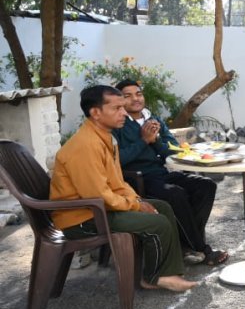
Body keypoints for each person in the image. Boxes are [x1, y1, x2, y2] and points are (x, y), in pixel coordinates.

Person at [49, 85, 197, 292]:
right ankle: (154, 277)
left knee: (162, 207)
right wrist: (134, 205)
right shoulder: (85, 145)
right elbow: (97, 195)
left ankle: (167, 270)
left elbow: (117, 182)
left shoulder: (106, 137)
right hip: (82, 218)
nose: (124, 113)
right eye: (117, 108)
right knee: (158, 223)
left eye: (123, 108)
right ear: (96, 113)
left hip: (97, 208)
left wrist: (136, 200)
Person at [113, 79, 228, 267]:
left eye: (138, 93)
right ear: (119, 101)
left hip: (161, 173)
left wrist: (156, 139)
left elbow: (171, 150)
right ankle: (202, 248)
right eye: (128, 96)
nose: (135, 99)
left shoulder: (154, 119)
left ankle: (185, 244)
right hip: (138, 179)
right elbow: (118, 160)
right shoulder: (118, 123)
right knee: (175, 193)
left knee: (206, 185)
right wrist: (143, 141)